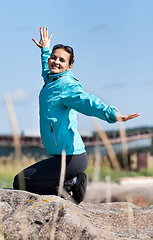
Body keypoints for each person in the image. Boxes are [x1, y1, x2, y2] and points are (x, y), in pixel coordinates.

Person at [13, 26, 140, 204]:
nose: (56, 62)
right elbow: (46, 71)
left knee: (20, 182)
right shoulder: (52, 80)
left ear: (70, 66)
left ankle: (71, 185)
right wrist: (44, 50)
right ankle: (69, 183)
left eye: (61, 60)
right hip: (62, 157)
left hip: (71, 158)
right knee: (25, 181)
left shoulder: (66, 86)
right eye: (53, 58)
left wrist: (112, 114)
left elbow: (87, 101)